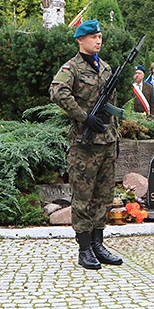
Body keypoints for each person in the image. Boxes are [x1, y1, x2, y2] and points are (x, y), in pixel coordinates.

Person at [49, 19, 123, 271]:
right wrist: (83, 116)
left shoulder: (106, 67)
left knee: (103, 197)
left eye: (100, 36)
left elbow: (112, 105)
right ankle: (84, 249)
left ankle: (98, 244)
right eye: (93, 37)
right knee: (83, 197)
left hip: (107, 140)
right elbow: (57, 91)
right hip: (85, 145)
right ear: (81, 40)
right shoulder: (72, 67)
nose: (98, 40)